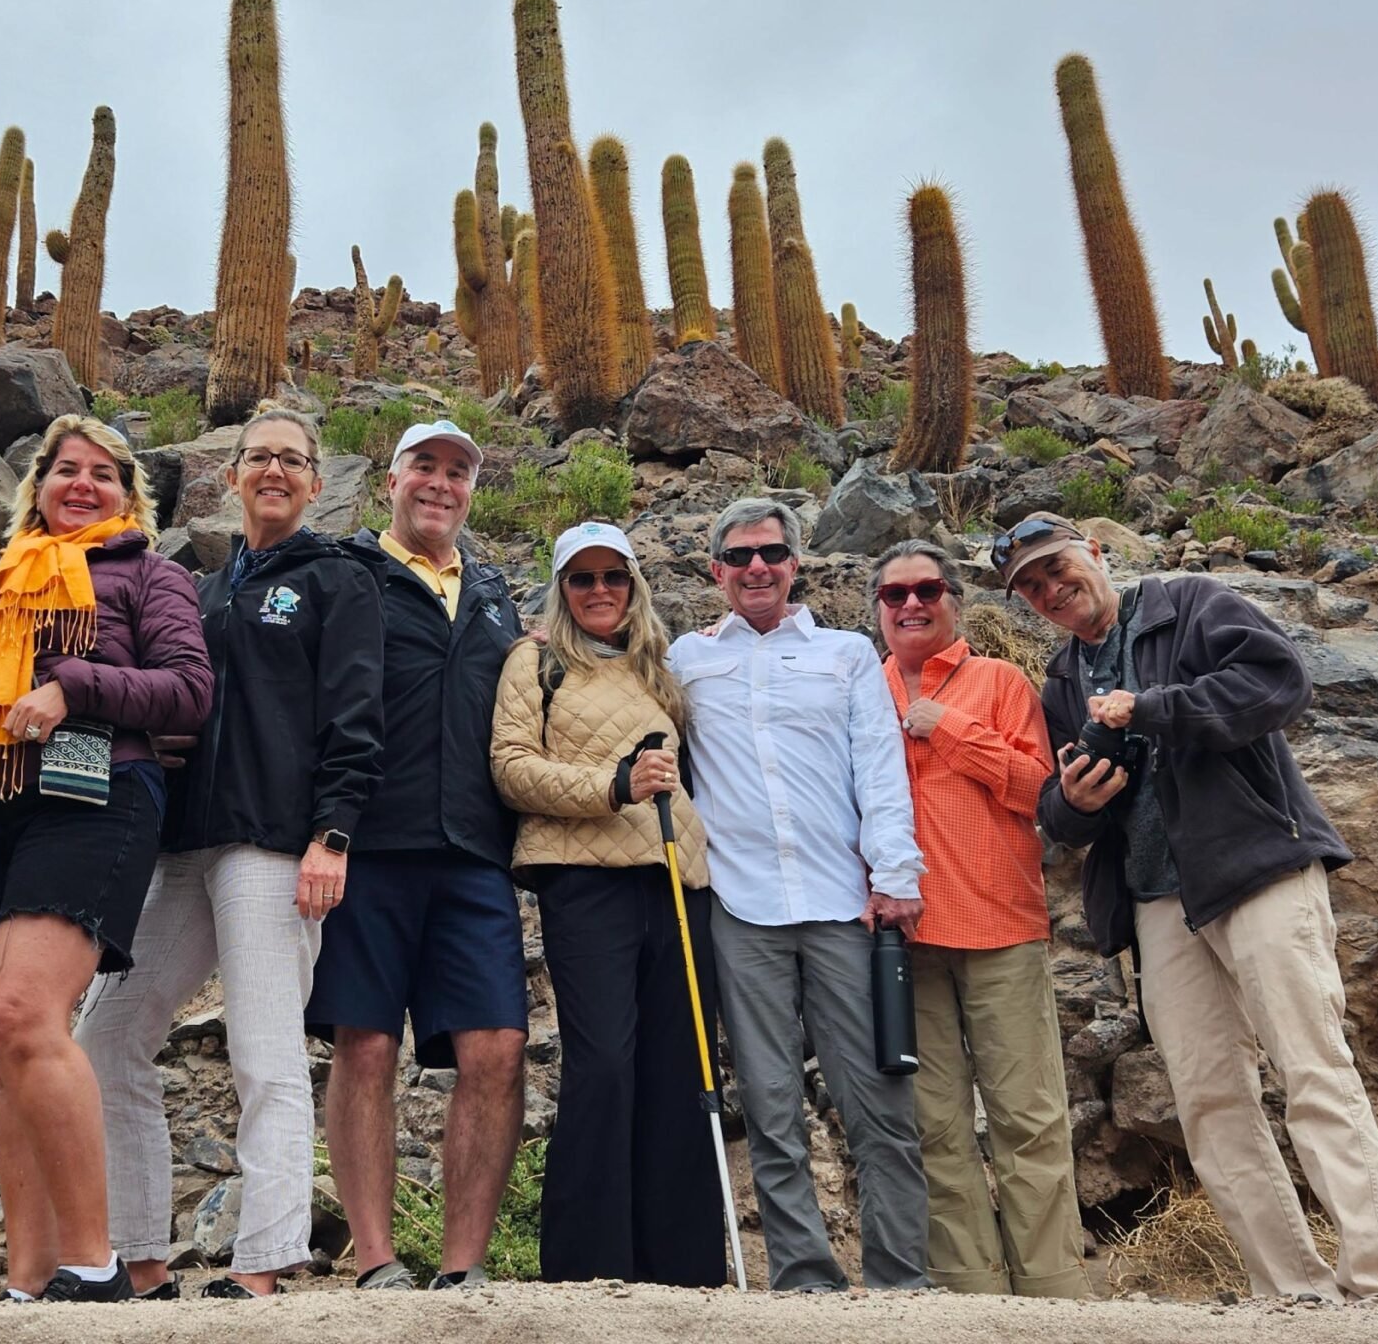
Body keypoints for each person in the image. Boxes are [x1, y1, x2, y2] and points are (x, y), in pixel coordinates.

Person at [1002, 512, 1378, 1306]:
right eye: (1030, 586)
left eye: (1056, 568)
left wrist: (1151, 709)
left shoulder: (1185, 604)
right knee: (1206, 1095)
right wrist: (1077, 801)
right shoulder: (1060, 681)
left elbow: (1278, 681)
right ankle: (1291, 1291)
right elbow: (1058, 814)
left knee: (1312, 1069)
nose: (1050, 590)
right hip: (1157, 898)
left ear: (1094, 551)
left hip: (1256, 867)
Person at [76, 410, 385, 1300]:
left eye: (293, 459)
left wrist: (333, 837)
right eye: (259, 457)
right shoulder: (199, 589)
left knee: (264, 1051)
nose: (275, 470)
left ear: (318, 483)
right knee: (107, 1033)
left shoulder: (339, 578)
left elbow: (355, 716)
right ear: (231, 477)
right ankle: (140, 1259)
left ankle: (264, 1260)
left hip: (276, 844)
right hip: (182, 845)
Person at [0, 415, 213, 1304]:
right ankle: (28, 1284)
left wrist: (73, 684)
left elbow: (189, 690)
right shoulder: (0, 577)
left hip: (95, 799)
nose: (81, 485)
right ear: (37, 486)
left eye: (103, 474)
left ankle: (97, 1267)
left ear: (130, 496)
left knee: (25, 1016)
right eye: (64, 471)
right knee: (8, 1049)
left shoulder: (149, 574)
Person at [668, 497, 929, 1295]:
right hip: (741, 910)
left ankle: (899, 1282)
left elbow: (878, 767)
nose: (757, 568)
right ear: (715, 571)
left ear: (795, 565)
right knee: (772, 1105)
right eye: (740, 556)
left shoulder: (847, 655)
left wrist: (896, 874)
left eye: (772, 554)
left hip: (843, 904)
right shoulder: (688, 657)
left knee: (877, 1100)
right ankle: (805, 1278)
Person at [309, 420, 525, 1291]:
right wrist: (322, 832)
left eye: (459, 472)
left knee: (499, 1048)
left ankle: (464, 1269)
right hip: (370, 847)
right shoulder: (346, 573)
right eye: (425, 467)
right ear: (390, 481)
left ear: (473, 490)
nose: (441, 483)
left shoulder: (498, 594)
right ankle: (375, 1263)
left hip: (476, 853)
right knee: (365, 1047)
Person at [489, 521, 724, 1286]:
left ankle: (682, 1271)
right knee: (604, 1066)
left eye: (613, 577)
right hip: (583, 882)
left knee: (680, 1070)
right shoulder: (537, 661)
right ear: (561, 590)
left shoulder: (661, 667)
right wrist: (611, 787)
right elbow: (512, 768)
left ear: (634, 585)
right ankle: (590, 1269)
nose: (599, 592)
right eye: (582, 579)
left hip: (677, 880)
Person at [874, 539, 1084, 1299]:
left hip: (1001, 928)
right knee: (934, 1127)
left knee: (1028, 1118)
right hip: (905, 939)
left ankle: (1054, 1295)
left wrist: (948, 729)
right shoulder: (863, 691)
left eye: (927, 590)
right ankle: (971, 1298)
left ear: (954, 601)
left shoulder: (997, 681)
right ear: (878, 611)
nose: (912, 605)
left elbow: (1041, 791)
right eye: (895, 596)